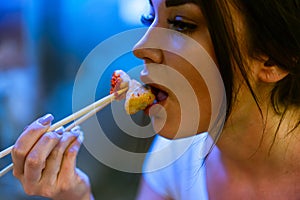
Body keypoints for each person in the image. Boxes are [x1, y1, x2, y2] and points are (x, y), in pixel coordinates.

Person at [10, 0, 300, 199]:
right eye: (150, 18)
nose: (141, 47)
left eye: (181, 24)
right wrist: (75, 195)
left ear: (272, 57)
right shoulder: (175, 156)